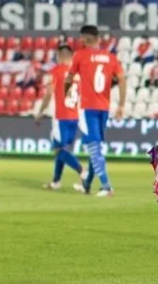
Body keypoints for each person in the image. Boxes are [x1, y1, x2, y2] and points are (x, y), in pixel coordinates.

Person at [66, 25, 127, 197]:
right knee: (97, 147)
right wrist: (121, 105)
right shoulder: (111, 57)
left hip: (87, 108)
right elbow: (122, 80)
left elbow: (69, 77)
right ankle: (86, 185)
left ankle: (106, 186)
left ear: (84, 38)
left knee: (94, 148)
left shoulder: (80, 55)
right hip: (104, 108)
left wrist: (66, 92)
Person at [35, 43, 85, 190]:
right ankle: (56, 181)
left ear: (59, 55)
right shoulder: (78, 73)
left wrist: (40, 112)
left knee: (59, 150)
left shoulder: (57, 70)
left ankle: (82, 171)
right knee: (63, 149)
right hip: (74, 117)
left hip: (61, 117)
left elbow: (49, 93)